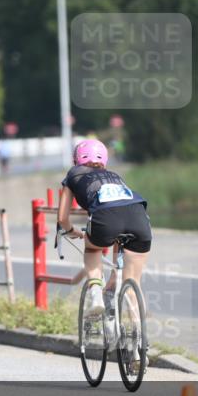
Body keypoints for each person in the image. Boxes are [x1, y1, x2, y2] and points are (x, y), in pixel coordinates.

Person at [57, 138, 151, 322]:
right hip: (139, 219)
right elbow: (120, 209)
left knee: (92, 248)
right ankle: (140, 343)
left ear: (77, 160)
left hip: (105, 220)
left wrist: (72, 231)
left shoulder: (73, 174)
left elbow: (62, 218)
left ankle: (96, 294)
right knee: (132, 284)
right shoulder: (115, 176)